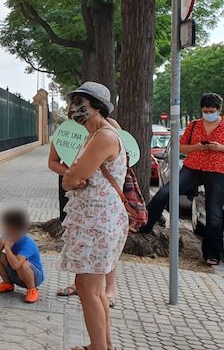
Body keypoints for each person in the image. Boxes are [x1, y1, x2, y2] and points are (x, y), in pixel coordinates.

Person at [59, 82, 128, 350]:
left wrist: (70, 179)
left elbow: (73, 177)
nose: (75, 110)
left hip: (98, 223)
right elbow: (74, 178)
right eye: (73, 104)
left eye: (81, 105)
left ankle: (99, 348)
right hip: (95, 220)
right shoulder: (94, 135)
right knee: (95, 289)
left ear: (98, 108)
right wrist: (72, 179)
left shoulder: (104, 136)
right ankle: (102, 345)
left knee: (87, 289)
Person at [139, 93, 224, 266]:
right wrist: (197, 147)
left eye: (212, 111)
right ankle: (144, 227)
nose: (208, 114)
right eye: (205, 111)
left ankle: (211, 254)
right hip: (192, 168)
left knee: (214, 213)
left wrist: (219, 147)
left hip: (217, 171)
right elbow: (182, 147)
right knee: (164, 193)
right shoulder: (194, 125)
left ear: (219, 110)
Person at [50, 116, 122, 307]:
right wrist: (73, 175)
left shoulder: (107, 130)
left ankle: (109, 289)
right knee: (81, 245)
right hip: (78, 195)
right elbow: (53, 161)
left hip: (101, 205)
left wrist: (82, 174)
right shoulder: (66, 130)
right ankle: (81, 285)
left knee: (100, 251)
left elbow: (117, 161)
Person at [0, 208, 43, 303]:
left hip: (33, 278)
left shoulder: (27, 243)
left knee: (24, 264)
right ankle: (8, 284)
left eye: (6, 226)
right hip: (16, 274)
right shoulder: (7, 236)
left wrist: (8, 249)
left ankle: (32, 290)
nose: (4, 228)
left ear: (14, 228)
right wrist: (1, 243)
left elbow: (17, 265)